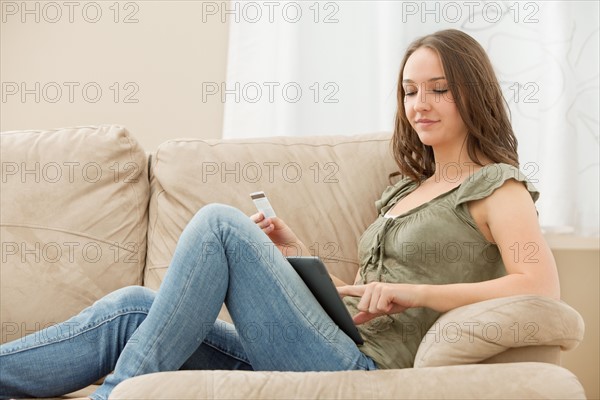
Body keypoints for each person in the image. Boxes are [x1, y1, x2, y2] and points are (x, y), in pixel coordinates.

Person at [0, 29, 560, 400]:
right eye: (411, 91)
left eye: (438, 90)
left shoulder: (496, 187)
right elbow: (360, 301)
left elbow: (539, 286)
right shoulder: (404, 192)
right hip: (333, 343)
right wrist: (293, 250)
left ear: (473, 94)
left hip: (365, 369)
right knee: (130, 308)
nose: (419, 104)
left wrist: (417, 294)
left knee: (220, 224)